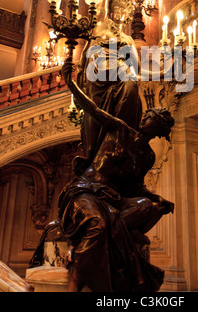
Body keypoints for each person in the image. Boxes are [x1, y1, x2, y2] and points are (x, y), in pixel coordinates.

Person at [58, 59, 175, 292]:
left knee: (146, 205)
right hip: (86, 191)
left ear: (159, 130)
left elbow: (136, 188)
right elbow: (92, 109)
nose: (147, 118)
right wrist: (70, 84)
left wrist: (157, 199)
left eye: (154, 119)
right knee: (98, 226)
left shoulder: (147, 156)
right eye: (149, 115)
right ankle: (81, 284)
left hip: (112, 198)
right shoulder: (120, 128)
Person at [75, 0, 142, 173]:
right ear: (112, 10)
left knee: (131, 83)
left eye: (125, 9)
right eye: (118, 7)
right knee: (95, 115)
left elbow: (136, 68)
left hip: (120, 75)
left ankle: (121, 135)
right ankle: (92, 152)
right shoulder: (101, 23)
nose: (121, 11)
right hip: (99, 75)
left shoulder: (128, 38)